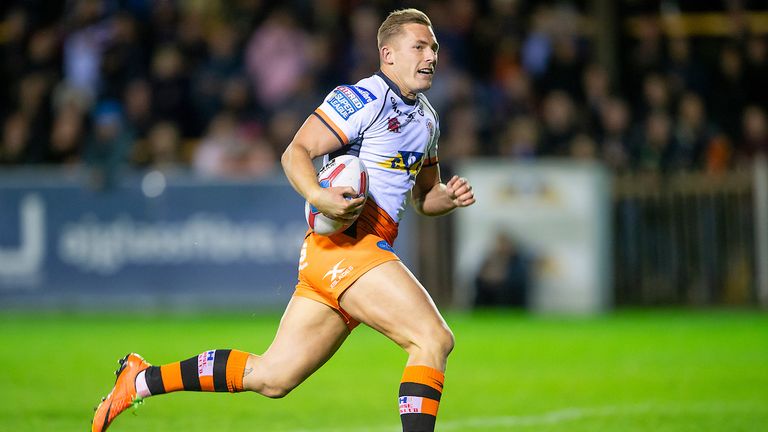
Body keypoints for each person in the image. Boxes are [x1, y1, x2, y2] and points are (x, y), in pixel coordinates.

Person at [91, 8, 475, 432]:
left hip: (344, 256)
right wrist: (317, 195)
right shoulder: (363, 98)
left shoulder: (427, 120)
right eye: (419, 46)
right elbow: (295, 151)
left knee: (272, 377)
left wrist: (446, 197)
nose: (431, 56)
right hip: (350, 245)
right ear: (387, 53)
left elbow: (423, 199)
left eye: (434, 47)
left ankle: (141, 379)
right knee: (433, 339)